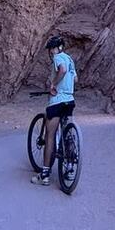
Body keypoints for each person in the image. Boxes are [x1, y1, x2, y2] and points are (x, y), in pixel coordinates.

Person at [31, 34, 77, 186]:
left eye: (52, 48)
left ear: (58, 48)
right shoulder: (70, 59)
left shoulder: (58, 58)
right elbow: (75, 79)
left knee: (50, 136)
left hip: (57, 101)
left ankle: (44, 174)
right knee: (68, 133)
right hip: (70, 100)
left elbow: (62, 71)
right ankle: (70, 166)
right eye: (50, 49)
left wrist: (54, 85)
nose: (51, 51)